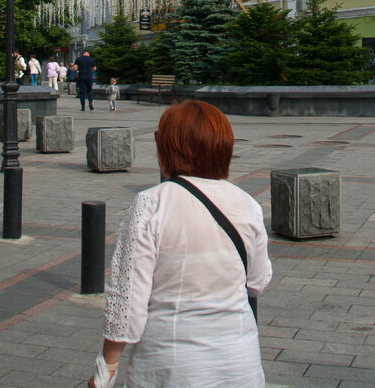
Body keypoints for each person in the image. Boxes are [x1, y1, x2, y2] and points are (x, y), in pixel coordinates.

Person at [89, 101, 271, 388]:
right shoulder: (247, 203)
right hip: (240, 363)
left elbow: (128, 300)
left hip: (169, 364)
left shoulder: (150, 203)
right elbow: (257, 282)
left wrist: (107, 366)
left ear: (171, 148)